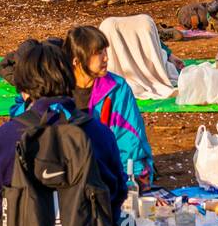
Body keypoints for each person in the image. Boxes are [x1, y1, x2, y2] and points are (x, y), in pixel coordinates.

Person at [0, 40, 130, 226]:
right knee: (128, 225)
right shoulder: (97, 131)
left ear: (24, 88)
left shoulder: (8, 134)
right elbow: (117, 193)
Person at [65, 25, 154, 186]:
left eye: (105, 51)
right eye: (98, 53)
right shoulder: (59, 90)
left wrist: (133, 180)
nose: (106, 58)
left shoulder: (117, 89)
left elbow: (130, 137)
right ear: (77, 60)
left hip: (107, 172)